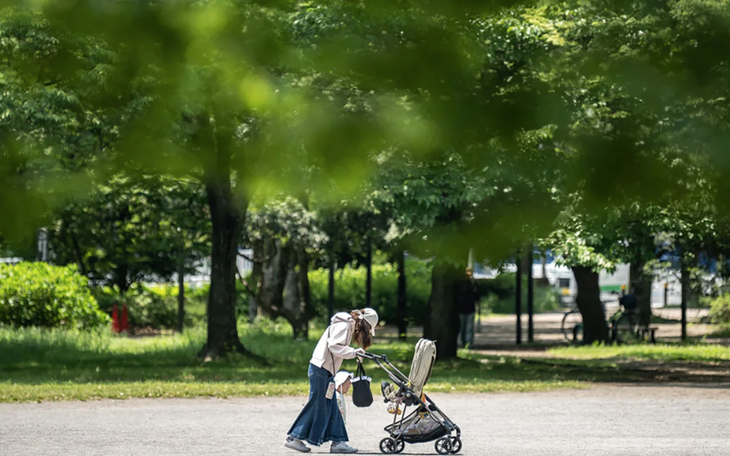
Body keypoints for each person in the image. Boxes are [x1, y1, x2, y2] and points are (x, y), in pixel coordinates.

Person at [285, 308, 379, 454]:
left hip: (324, 370)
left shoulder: (347, 324)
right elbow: (334, 346)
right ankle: (293, 438)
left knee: (331, 405)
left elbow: (336, 348)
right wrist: (353, 352)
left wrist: (353, 352)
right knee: (317, 404)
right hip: (321, 369)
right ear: (363, 324)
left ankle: (338, 441)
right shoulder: (344, 325)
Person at [458, 268, 479, 348]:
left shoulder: (460, 284)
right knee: (468, 328)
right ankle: (468, 344)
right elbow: (477, 298)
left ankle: (463, 343)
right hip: (470, 308)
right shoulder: (473, 284)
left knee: (462, 328)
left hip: (462, 309)